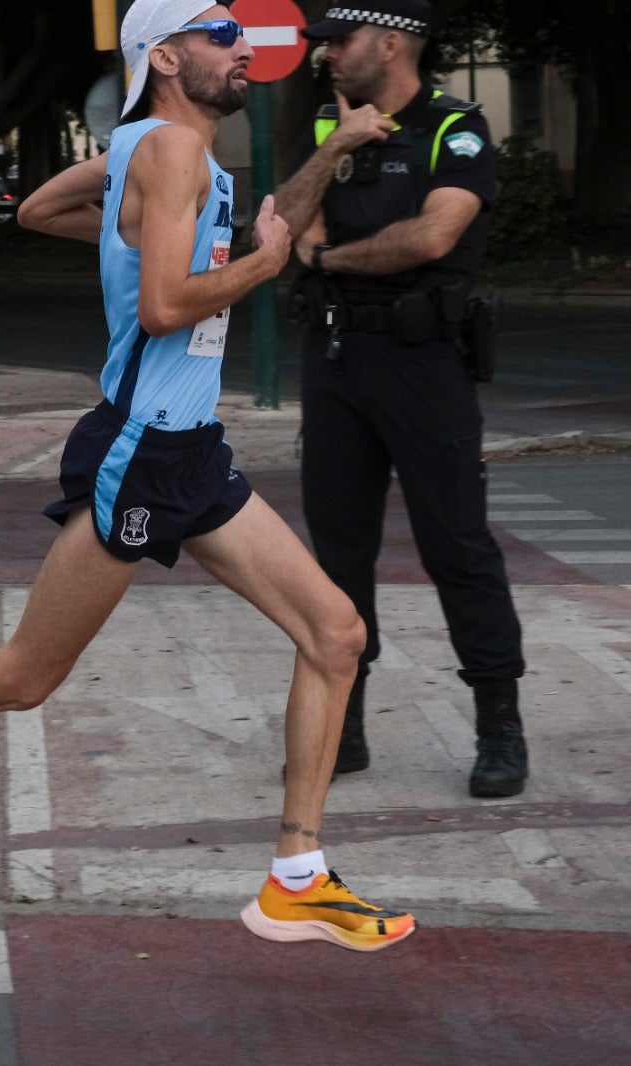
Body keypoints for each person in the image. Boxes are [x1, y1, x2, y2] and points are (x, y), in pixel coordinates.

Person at [0, 0, 421, 953]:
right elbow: (165, 307)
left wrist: (328, 153)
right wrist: (258, 266)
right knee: (24, 677)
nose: (243, 49)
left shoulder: (160, 150)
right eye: (221, 35)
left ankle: (296, 879)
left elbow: (39, 209)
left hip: (191, 450)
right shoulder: (171, 153)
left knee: (336, 631)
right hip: (140, 450)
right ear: (170, 57)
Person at [272, 0, 527, 798]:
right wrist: (340, 146)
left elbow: (431, 238)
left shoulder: (456, 130)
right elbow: (280, 226)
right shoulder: (328, 125)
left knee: (457, 546)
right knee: (337, 556)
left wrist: (331, 258)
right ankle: (342, 728)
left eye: (339, 42)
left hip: (423, 366)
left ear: (389, 43)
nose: (326, 56)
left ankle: (499, 724)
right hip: (338, 362)